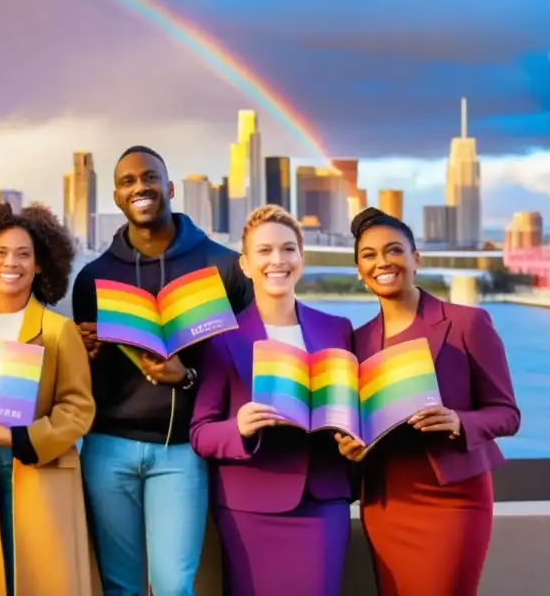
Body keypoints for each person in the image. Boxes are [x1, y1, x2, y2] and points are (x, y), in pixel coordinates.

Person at [71, 145, 253, 596]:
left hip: (181, 451)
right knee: (120, 587)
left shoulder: (223, 266)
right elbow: (84, 380)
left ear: (170, 188)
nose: (140, 187)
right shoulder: (93, 277)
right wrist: (84, 351)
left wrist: (186, 378)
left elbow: (245, 366)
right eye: (128, 181)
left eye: (149, 178)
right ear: (116, 197)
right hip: (107, 448)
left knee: (174, 586)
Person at [336, 207, 520, 596]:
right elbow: (354, 421)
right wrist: (349, 445)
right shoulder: (356, 341)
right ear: (358, 270)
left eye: (394, 250)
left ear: (416, 259)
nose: (382, 262)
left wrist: (458, 422)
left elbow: (506, 414)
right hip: (386, 502)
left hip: (454, 500)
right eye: (368, 255)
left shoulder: (468, 323)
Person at [189, 204, 353, 595]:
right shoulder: (221, 337)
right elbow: (200, 432)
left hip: (323, 500)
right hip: (249, 506)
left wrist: (353, 437)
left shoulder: (338, 330)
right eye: (264, 251)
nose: (277, 260)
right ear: (245, 264)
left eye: (287, 249)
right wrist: (240, 428)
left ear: (301, 257)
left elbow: (355, 412)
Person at [0, 202, 97, 596]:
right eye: (0, 252)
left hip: (35, 467)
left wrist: (22, 438)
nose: (10, 263)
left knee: (39, 579)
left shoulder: (59, 330)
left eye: (23, 254)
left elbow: (78, 408)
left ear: (40, 265)